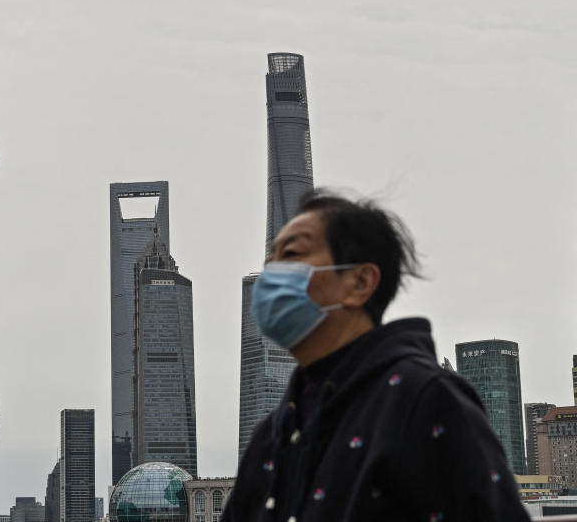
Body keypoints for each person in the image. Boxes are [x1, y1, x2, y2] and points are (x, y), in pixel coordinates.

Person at [222, 190, 530, 522]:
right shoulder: (274, 432)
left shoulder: (425, 400)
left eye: (292, 254)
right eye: (271, 261)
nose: (270, 275)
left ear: (360, 282)